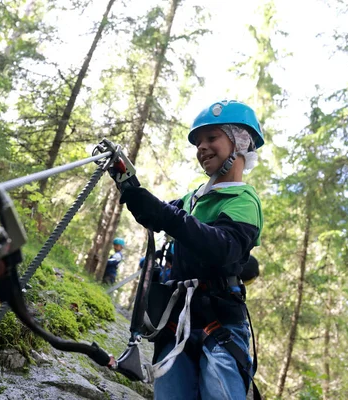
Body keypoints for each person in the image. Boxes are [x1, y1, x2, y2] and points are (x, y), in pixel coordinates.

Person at [118, 100, 264, 400]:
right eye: (199, 142)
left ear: (240, 143)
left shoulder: (244, 200)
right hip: (176, 326)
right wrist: (129, 186)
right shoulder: (192, 199)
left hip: (221, 324)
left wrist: (166, 215)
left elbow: (223, 247)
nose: (202, 147)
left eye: (212, 138)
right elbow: (157, 214)